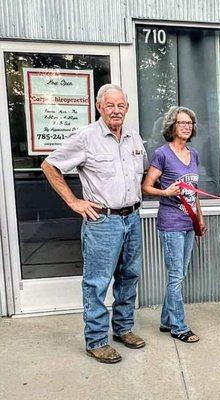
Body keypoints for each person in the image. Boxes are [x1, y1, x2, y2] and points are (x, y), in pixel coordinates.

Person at [41, 84, 148, 364]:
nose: (116, 110)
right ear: (100, 107)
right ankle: (97, 340)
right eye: (110, 105)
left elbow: (142, 175)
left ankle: (123, 329)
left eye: (120, 105)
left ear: (127, 108)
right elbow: (49, 165)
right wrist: (74, 202)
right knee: (97, 283)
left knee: (129, 276)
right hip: (103, 221)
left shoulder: (134, 138)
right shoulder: (86, 138)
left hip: (132, 217)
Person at [142, 106, 204, 343]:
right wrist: (165, 192)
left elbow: (194, 191)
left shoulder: (193, 154)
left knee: (180, 274)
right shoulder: (162, 154)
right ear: (172, 127)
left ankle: (167, 320)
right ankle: (179, 326)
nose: (187, 126)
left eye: (190, 123)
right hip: (171, 224)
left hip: (189, 223)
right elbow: (146, 186)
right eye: (182, 123)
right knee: (176, 275)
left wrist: (200, 215)